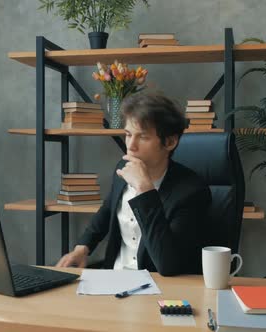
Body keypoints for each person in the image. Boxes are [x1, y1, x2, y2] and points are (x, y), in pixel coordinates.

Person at [56, 94, 212, 276]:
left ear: (170, 142)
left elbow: (169, 265)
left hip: (159, 286)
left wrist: (145, 190)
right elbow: (107, 210)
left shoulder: (192, 191)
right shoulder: (123, 168)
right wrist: (83, 247)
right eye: (128, 135)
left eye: (143, 137)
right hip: (113, 278)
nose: (130, 145)